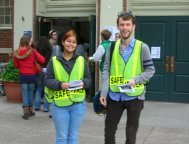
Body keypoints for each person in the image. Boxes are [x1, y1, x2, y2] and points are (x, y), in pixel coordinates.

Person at [99, 11, 155, 144]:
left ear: (133, 26)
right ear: (118, 26)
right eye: (122, 24)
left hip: (135, 96)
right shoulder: (112, 47)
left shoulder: (142, 47)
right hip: (114, 95)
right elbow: (106, 69)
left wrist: (136, 80)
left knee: (131, 135)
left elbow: (150, 70)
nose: (125, 28)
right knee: (109, 133)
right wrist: (104, 91)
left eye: (128, 24)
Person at [44, 29, 91, 144]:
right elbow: (47, 80)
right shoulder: (54, 60)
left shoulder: (81, 60)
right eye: (68, 41)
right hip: (60, 105)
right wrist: (59, 85)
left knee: (73, 137)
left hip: (78, 104)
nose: (71, 44)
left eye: (74, 42)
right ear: (63, 42)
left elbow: (88, 79)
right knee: (62, 137)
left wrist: (83, 83)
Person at [13, 36, 45, 120]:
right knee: (30, 93)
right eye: (30, 41)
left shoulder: (17, 52)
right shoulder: (32, 50)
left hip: (23, 75)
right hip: (31, 75)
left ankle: (25, 113)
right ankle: (31, 111)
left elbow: (16, 65)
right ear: (28, 42)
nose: (31, 42)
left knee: (24, 94)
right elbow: (42, 60)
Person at [34, 36, 52, 112]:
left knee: (38, 88)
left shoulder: (36, 49)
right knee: (46, 90)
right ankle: (46, 108)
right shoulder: (50, 49)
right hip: (47, 70)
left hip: (39, 70)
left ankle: (37, 106)